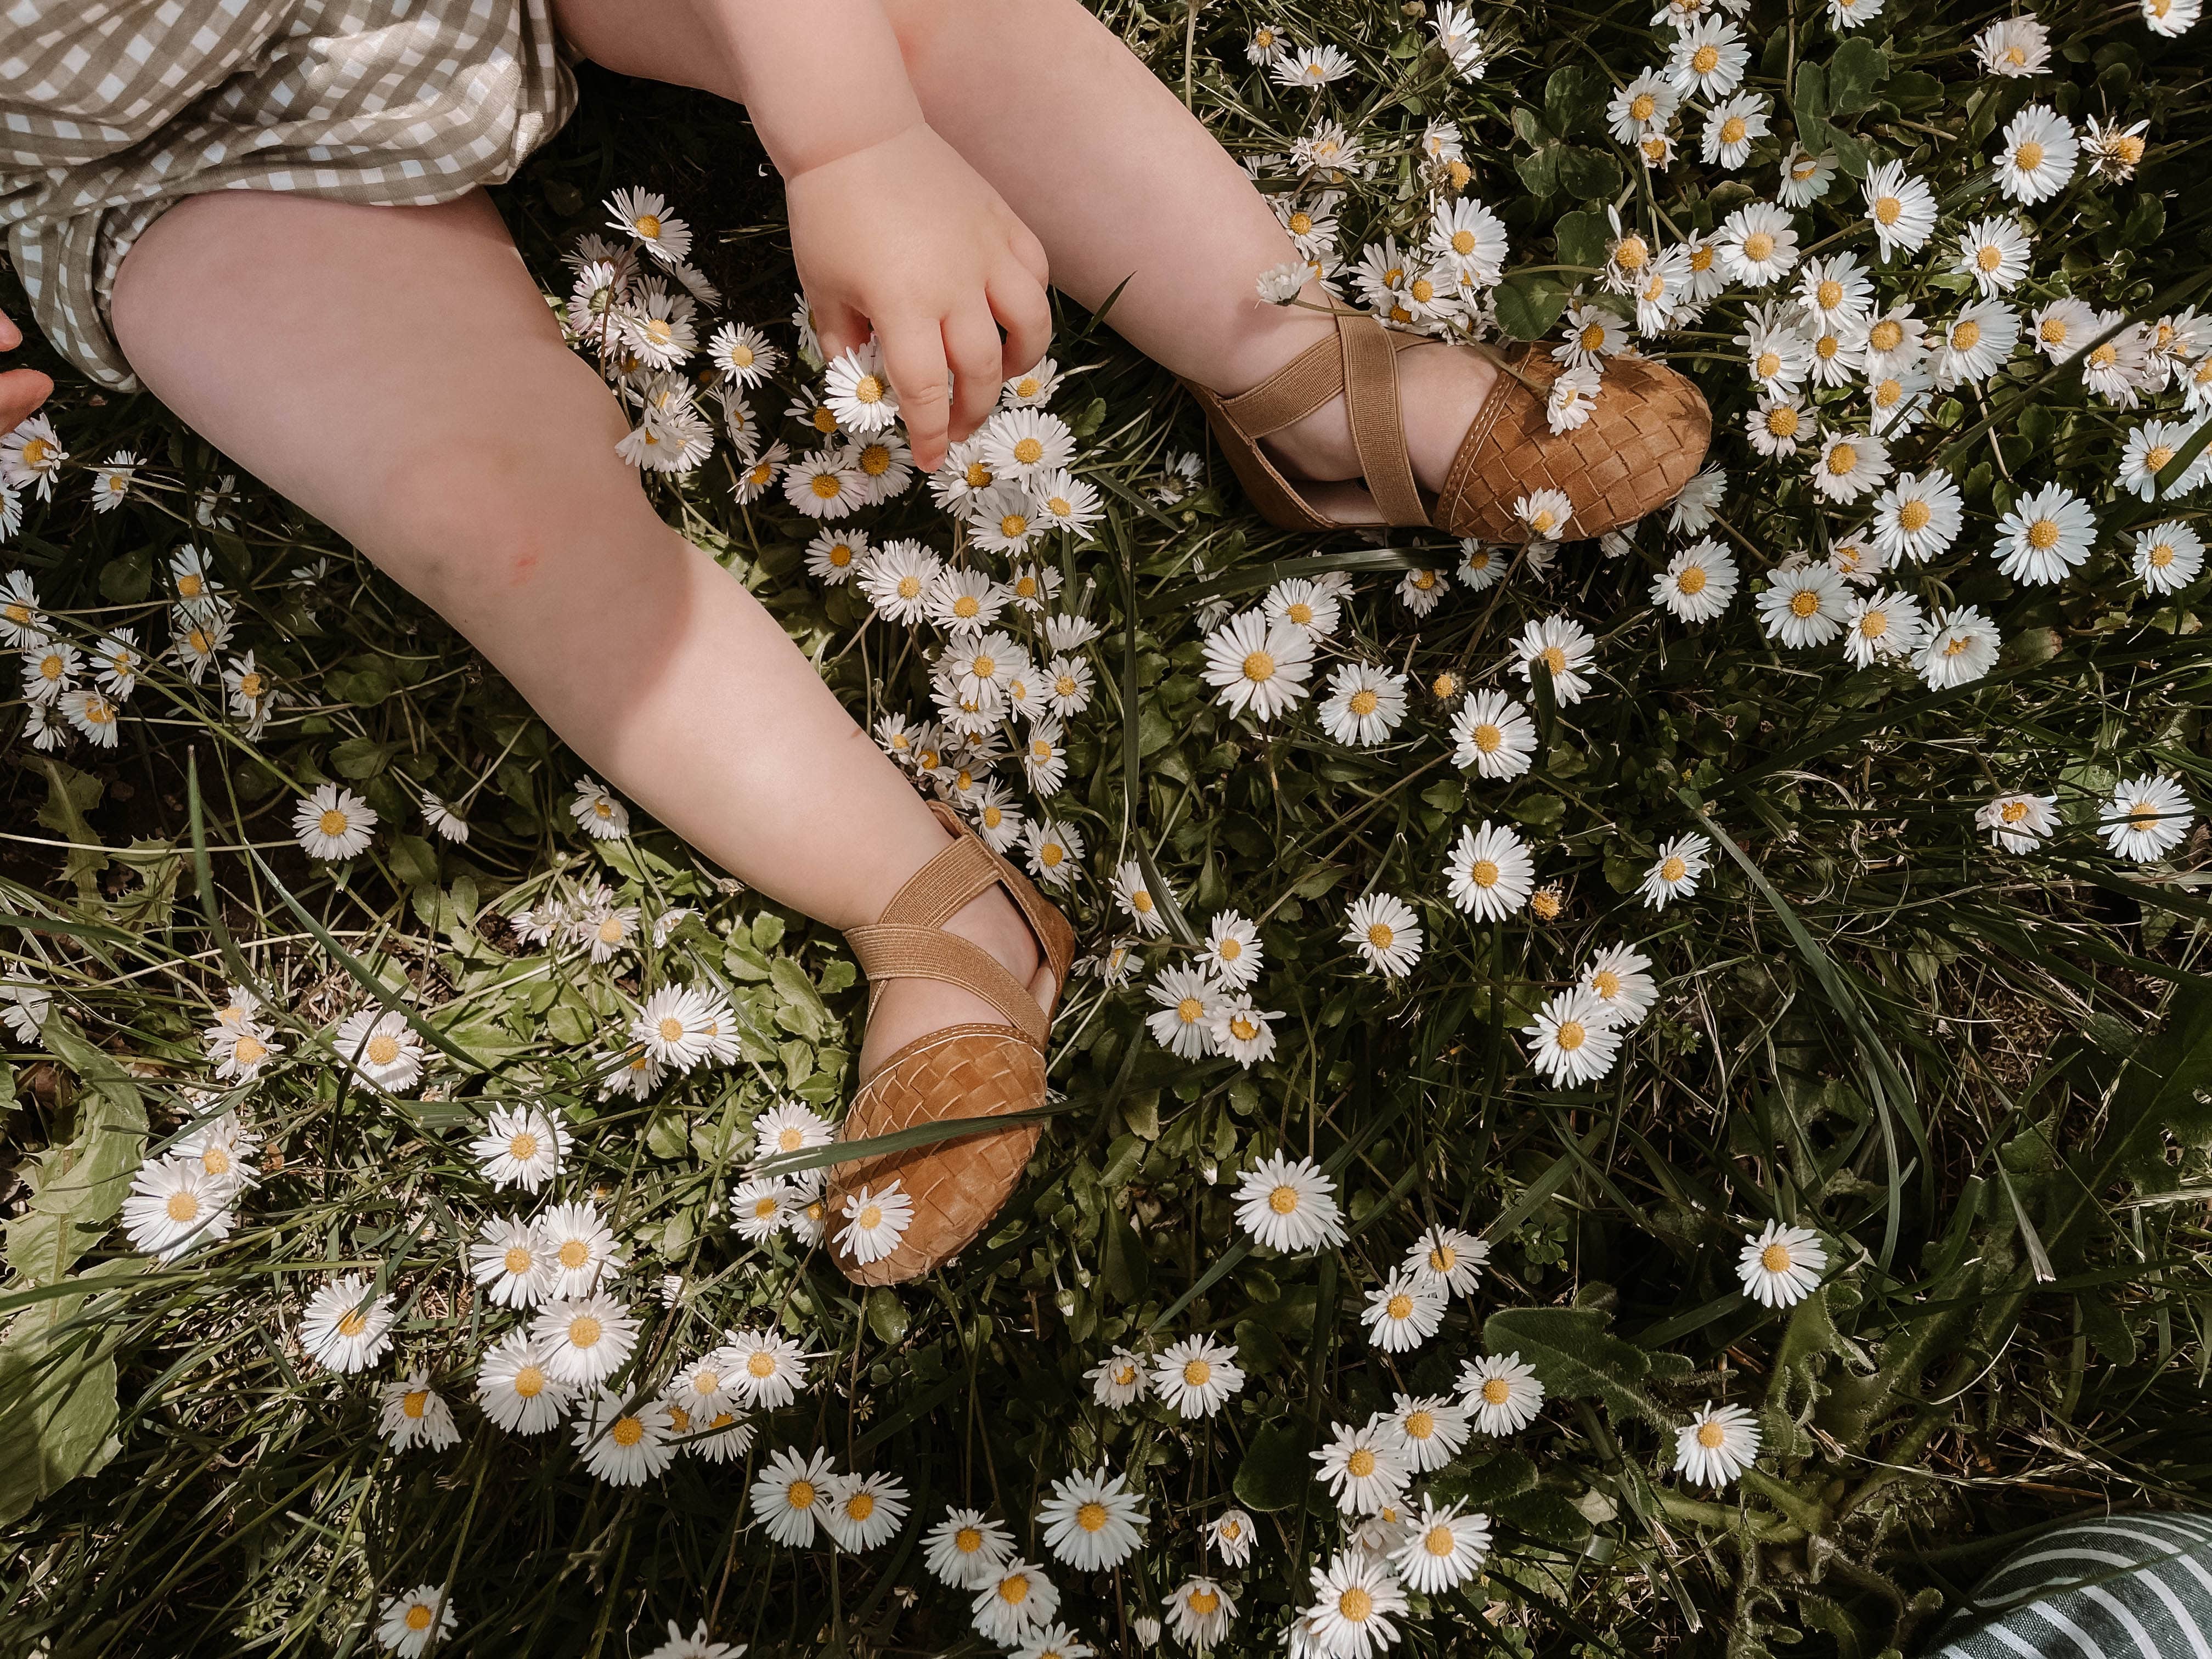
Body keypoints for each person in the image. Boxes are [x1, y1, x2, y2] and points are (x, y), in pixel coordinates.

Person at [0, 0, 1707, 1281]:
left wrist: (853, 142)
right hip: (148, 157)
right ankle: (934, 912)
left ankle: (1305, 379)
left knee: (913, 21)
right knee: (479, 512)